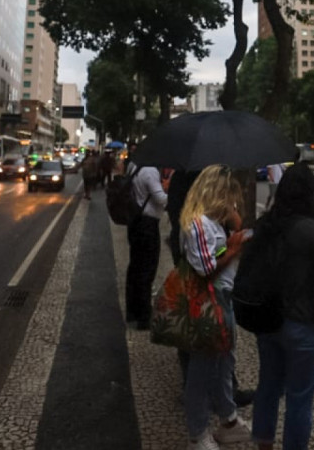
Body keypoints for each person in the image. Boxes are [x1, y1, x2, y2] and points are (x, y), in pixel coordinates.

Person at [252, 162, 314, 450]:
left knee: (267, 387)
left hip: (267, 320)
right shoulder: (312, 230)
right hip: (302, 323)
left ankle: (263, 445)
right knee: (299, 397)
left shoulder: (265, 225)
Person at [178, 165, 253, 450]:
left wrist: (233, 230)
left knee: (224, 364)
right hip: (209, 300)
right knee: (202, 370)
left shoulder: (212, 221)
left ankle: (228, 420)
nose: (233, 201)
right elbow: (206, 267)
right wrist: (233, 249)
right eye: (229, 194)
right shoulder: (197, 223)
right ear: (217, 192)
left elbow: (214, 253)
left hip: (222, 296)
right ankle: (197, 434)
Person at [124, 159, 168, 330]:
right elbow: (161, 199)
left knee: (135, 267)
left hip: (135, 222)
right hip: (148, 225)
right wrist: (170, 191)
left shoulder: (134, 166)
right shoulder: (150, 171)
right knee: (147, 269)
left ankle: (132, 311)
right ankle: (144, 316)